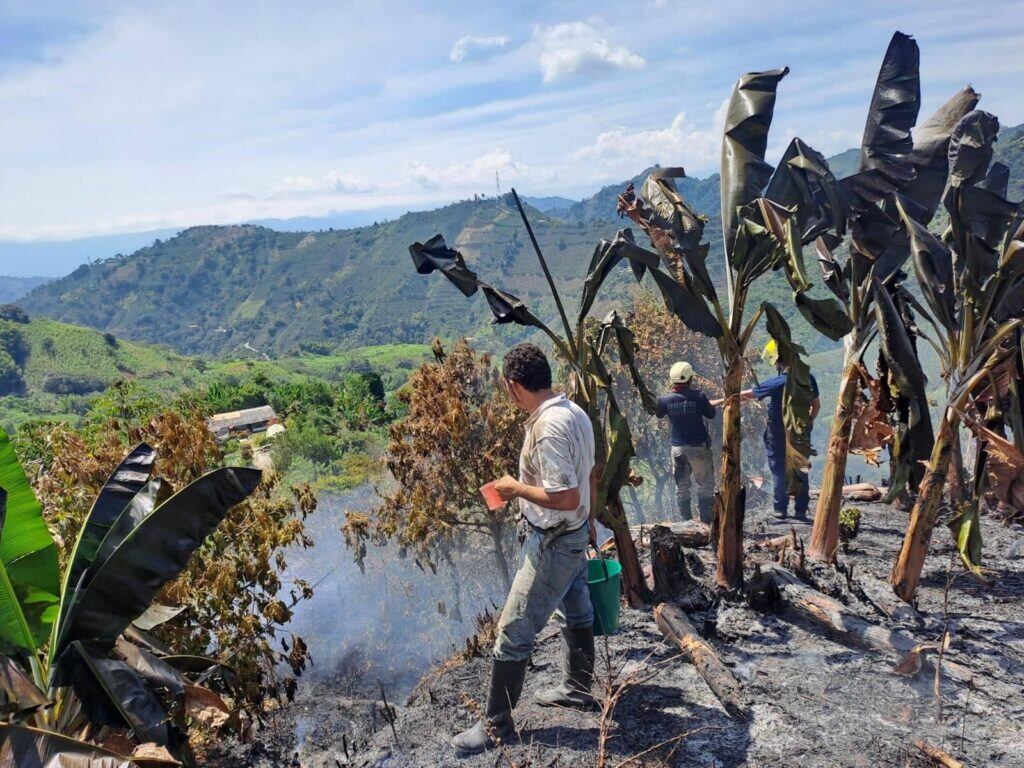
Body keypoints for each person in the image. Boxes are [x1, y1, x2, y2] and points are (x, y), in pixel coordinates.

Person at [451, 343, 597, 755]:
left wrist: (514, 489)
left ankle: (497, 726)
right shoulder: (574, 412)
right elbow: (591, 474)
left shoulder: (549, 427)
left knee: (513, 630)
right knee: (577, 609)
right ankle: (578, 687)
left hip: (553, 542)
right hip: (573, 533)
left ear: (513, 386)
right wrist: (589, 520)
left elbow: (564, 495)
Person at [739, 341, 820, 520]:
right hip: (800, 431)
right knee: (800, 469)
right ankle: (800, 510)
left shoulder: (777, 382)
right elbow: (816, 405)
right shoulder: (808, 378)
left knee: (778, 469)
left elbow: (749, 394)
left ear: (780, 360)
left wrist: (727, 397)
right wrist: (809, 422)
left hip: (777, 432)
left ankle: (780, 509)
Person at [654, 361, 717, 523]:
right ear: (689, 378)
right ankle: (707, 523)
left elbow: (659, 414)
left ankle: (686, 523)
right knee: (706, 485)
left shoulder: (664, 400)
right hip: (698, 448)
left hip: (678, 449)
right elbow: (711, 414)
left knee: (682, 487)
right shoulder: (699, 396)